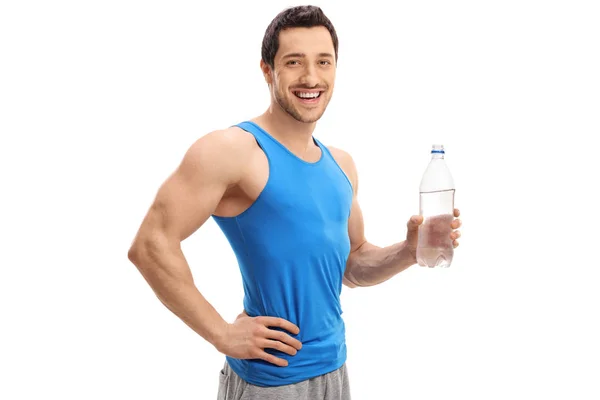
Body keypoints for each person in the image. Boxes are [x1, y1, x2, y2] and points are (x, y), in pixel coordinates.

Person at [127, 5, 462, 400]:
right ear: (268, 71)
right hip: (271, 381)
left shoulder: (342, 165)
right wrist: (221, 333)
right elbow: (151, 245)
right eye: (293, 62)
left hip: (335, 372)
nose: (311, 77)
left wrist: (409, 251)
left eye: (324, 62)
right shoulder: (232, 150)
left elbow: (352, 265)